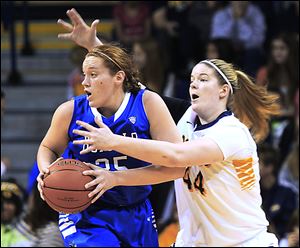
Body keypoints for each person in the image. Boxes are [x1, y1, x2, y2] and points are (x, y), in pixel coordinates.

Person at [72, 57, 281, 246]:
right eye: (192, 79)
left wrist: (114, 141)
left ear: (223, 91)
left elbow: (175, 156)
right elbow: (134, 89)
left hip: (244, 242)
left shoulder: (232, 133)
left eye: (203, 79)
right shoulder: (187, 119)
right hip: (194, 242)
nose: (193, 84)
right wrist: (97, 49)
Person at [36, 19, 184, 247]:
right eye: (83, 74)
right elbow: (48, 147)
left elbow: (177, 167)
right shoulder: (69, 111)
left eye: (93, 75)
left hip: (136, 210)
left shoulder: (147, 103)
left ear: (119, 78)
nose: (84, 82)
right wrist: (46, 170)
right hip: (86, 213)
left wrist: (114, 178)